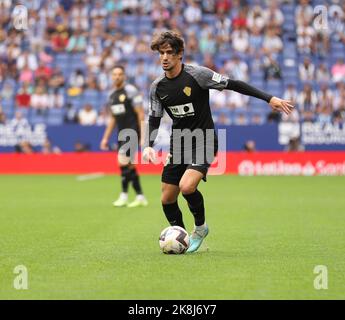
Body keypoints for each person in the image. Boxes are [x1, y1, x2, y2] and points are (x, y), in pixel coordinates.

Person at [143, 31, 294, 253]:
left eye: (169, 53)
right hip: (179, 143)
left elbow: (234, 84)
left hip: (204, 139)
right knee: (167, 198)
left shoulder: (198, 75)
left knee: (187, 186)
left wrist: (269, 98)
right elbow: (154, 118)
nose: (164, 57)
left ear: (180, 54)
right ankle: (180, 238)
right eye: (161, 53)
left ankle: (201, 228)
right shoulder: (157, 88)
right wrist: (148, 145)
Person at [100, 65, 148, 208]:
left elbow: (140, 113)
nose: (117, 77)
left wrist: (143, 136)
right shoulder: (112, 95)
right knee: (130, 166)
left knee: (122, 162)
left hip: (132, 131)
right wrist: (105, 138)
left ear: (124, 76)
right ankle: (140, 196)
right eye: (114, 74)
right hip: (122, 133)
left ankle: (124, 195)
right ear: (111, 76)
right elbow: (113, 118)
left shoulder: (131, 91)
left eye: (120, 74)